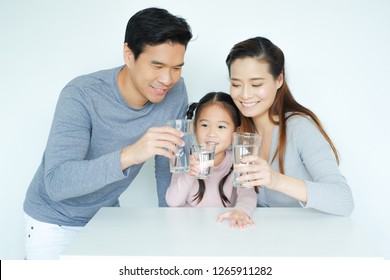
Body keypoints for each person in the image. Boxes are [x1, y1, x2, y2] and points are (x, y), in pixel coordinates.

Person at [23, 7, 193, 259]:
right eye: (156, 65)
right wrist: (131, 154)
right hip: (54, 221)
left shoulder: (175, 92)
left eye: (177, 67)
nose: (167, 79)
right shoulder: (81, 94)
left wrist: (170, 226)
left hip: (107, 217)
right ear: (128, 54)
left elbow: (168, 165)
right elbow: (57, 183)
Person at [222, 36, 354, 216]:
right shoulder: (239, 133)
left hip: (308, 238)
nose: (245, 94)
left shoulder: (299, 127)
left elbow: (344, 200)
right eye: (236, 84)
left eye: (256, 84)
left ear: (279, 80)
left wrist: (275, 180)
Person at [166, 92, 258, 228]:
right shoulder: (185, 161)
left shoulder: (238, 161)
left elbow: (248, 194)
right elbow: (172, 201)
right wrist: (189, 175)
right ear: (195, 129)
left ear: (235, 132)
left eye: (221, 127)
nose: (211, 133)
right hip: (191, 228)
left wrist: (241, 211)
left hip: (225, 226)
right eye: (204, 125)